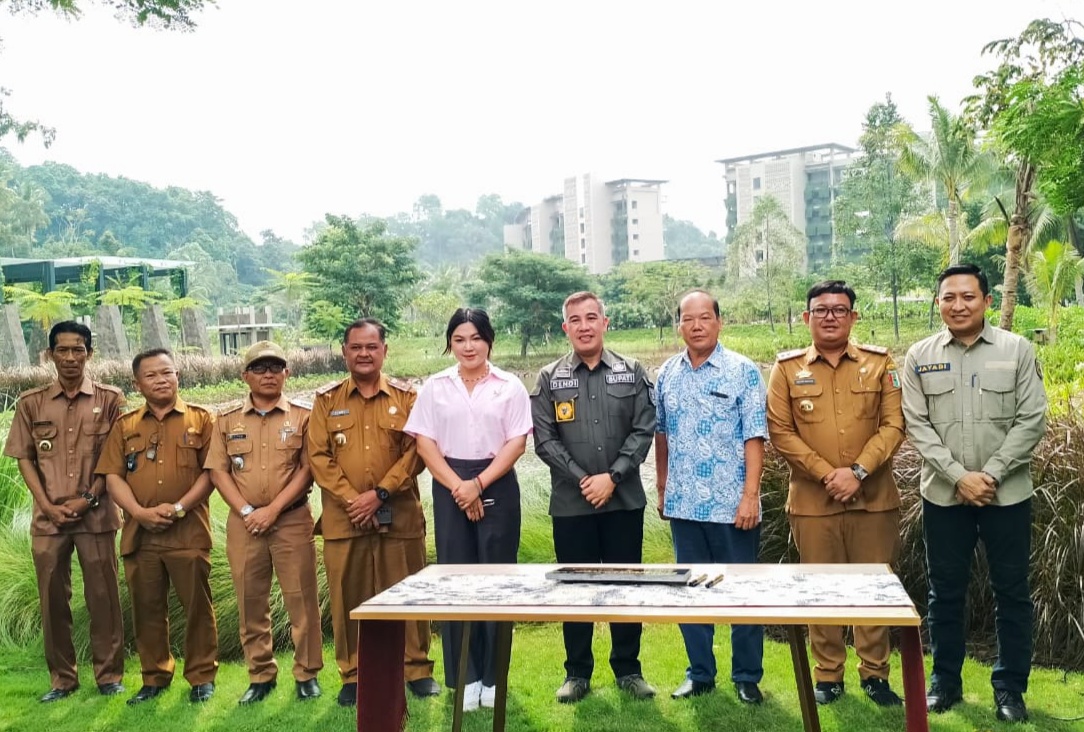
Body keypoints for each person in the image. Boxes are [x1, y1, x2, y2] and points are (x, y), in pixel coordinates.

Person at [901, 264, 1047, 723]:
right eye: (949, 297)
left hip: (1008, 496)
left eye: (968, 296)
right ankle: (945, 683)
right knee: (944, 593)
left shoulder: (1016, 349)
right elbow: (916, 425)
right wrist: (958, 477)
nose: (958, 305)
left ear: (986, 299)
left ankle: (1010, 690)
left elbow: (1032, 418)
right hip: (944, 497)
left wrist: (992, 474)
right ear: (938, 302)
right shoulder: (920, 356)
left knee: (1012, 592)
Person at [765, 280, 906, 707]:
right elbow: (780, 432)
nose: (830, 316)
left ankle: (875, 675)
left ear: (853, 316)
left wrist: (858, 472)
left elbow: (894, 426)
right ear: (806, 318)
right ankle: (827, 675)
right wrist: (830, 475)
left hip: (874, 500)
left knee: (872, 588)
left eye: (839, 310)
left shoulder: (881, 364)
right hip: (813, 504)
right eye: (821, 310)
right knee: (821, 589)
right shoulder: (786, 369)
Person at [530, 291, 657, 704]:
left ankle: (629, 669)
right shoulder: (550, 378)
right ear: (565, 328)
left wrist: (613, 477)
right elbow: (545, 440)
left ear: (605, 322)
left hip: (623, 501)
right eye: (575, 320)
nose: (584, 326)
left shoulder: (631, 371)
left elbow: (643, 431)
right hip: (572, 503)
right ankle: (577, 673)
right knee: (575, 587)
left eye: (591, 317)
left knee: (625, 585)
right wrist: (586, 479)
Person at [404, 308, 532, 712]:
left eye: (475, 337)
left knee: (496, 581)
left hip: (495, 481)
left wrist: (478, 484)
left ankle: (495, 676)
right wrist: (459, 486)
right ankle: (467, 676)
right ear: (450, 343)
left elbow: (516, 443)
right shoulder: (435, 386)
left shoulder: (509, 385)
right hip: (449, 483)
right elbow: (424, 442)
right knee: (457, 580)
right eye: (459, 339)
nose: (468, 346)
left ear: (489, 340)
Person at [308, 318, 440, 707]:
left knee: (409, 595)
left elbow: (418, 450)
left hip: (398, 516)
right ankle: (353, 674)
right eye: (356, 347)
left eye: (371, 347)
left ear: (384, 350)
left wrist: (380, 494)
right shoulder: (326, 401)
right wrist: (355, 499)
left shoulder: (408, 398)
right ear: (344, 351)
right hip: (344, 519)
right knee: (349, 597)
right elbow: (318, 456)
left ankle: (417, 670)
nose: (364, 354)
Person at [3, 321, 127, 703]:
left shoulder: (110, 399)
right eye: (62, 350)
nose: (70, 357)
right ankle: (62, 679)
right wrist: (46, 506)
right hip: (49, 519)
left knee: (103, 596)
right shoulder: (31, 403)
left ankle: (109, 676)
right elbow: (24, 459)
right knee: (52, 597)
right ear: (49, 354)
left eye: (78, 350)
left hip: (97, 515)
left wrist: (88, 499)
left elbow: (117, 457)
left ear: (90, 353)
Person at [654, 290, 767, 704]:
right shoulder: (667, 374)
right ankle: (700, 673)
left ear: (720, 322)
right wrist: (663, 487)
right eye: (688, 319)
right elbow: (661, 435)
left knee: (741, 592)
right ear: (679, 325)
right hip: (685, 505)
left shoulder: (743, 371)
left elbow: (755, 436)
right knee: (692, 591)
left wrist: (750, 495)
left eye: (705, 317)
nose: (697, 325)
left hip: (732, 505)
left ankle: (746, 676)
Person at [95, 348, 219, 705]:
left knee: (197, 606)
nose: (161, 380)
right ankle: (154, 677)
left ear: (178, 375)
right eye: (151, 375)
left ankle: (201, 677)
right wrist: (138, 512)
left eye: (167, 372)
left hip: (188, 530)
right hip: (141, 533)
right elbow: (112, 477)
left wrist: (179, 508)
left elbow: (212, 473)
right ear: (137, 383)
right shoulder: (126, 425)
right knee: (147, 608)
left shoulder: (202, 419)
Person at [206, 341, 324, 705]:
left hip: (290, 520)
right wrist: (246, 511)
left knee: (302, 599)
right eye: (260, 368)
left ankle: (307, 673)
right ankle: (260, 675)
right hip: (245, 524)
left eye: (276, 367)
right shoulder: (226, 420)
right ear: (245, 376)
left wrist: (272, 510)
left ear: (287, 373)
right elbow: (217, 471)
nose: (269, 374)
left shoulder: (304, 416)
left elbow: (308, 470)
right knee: (250, 600)